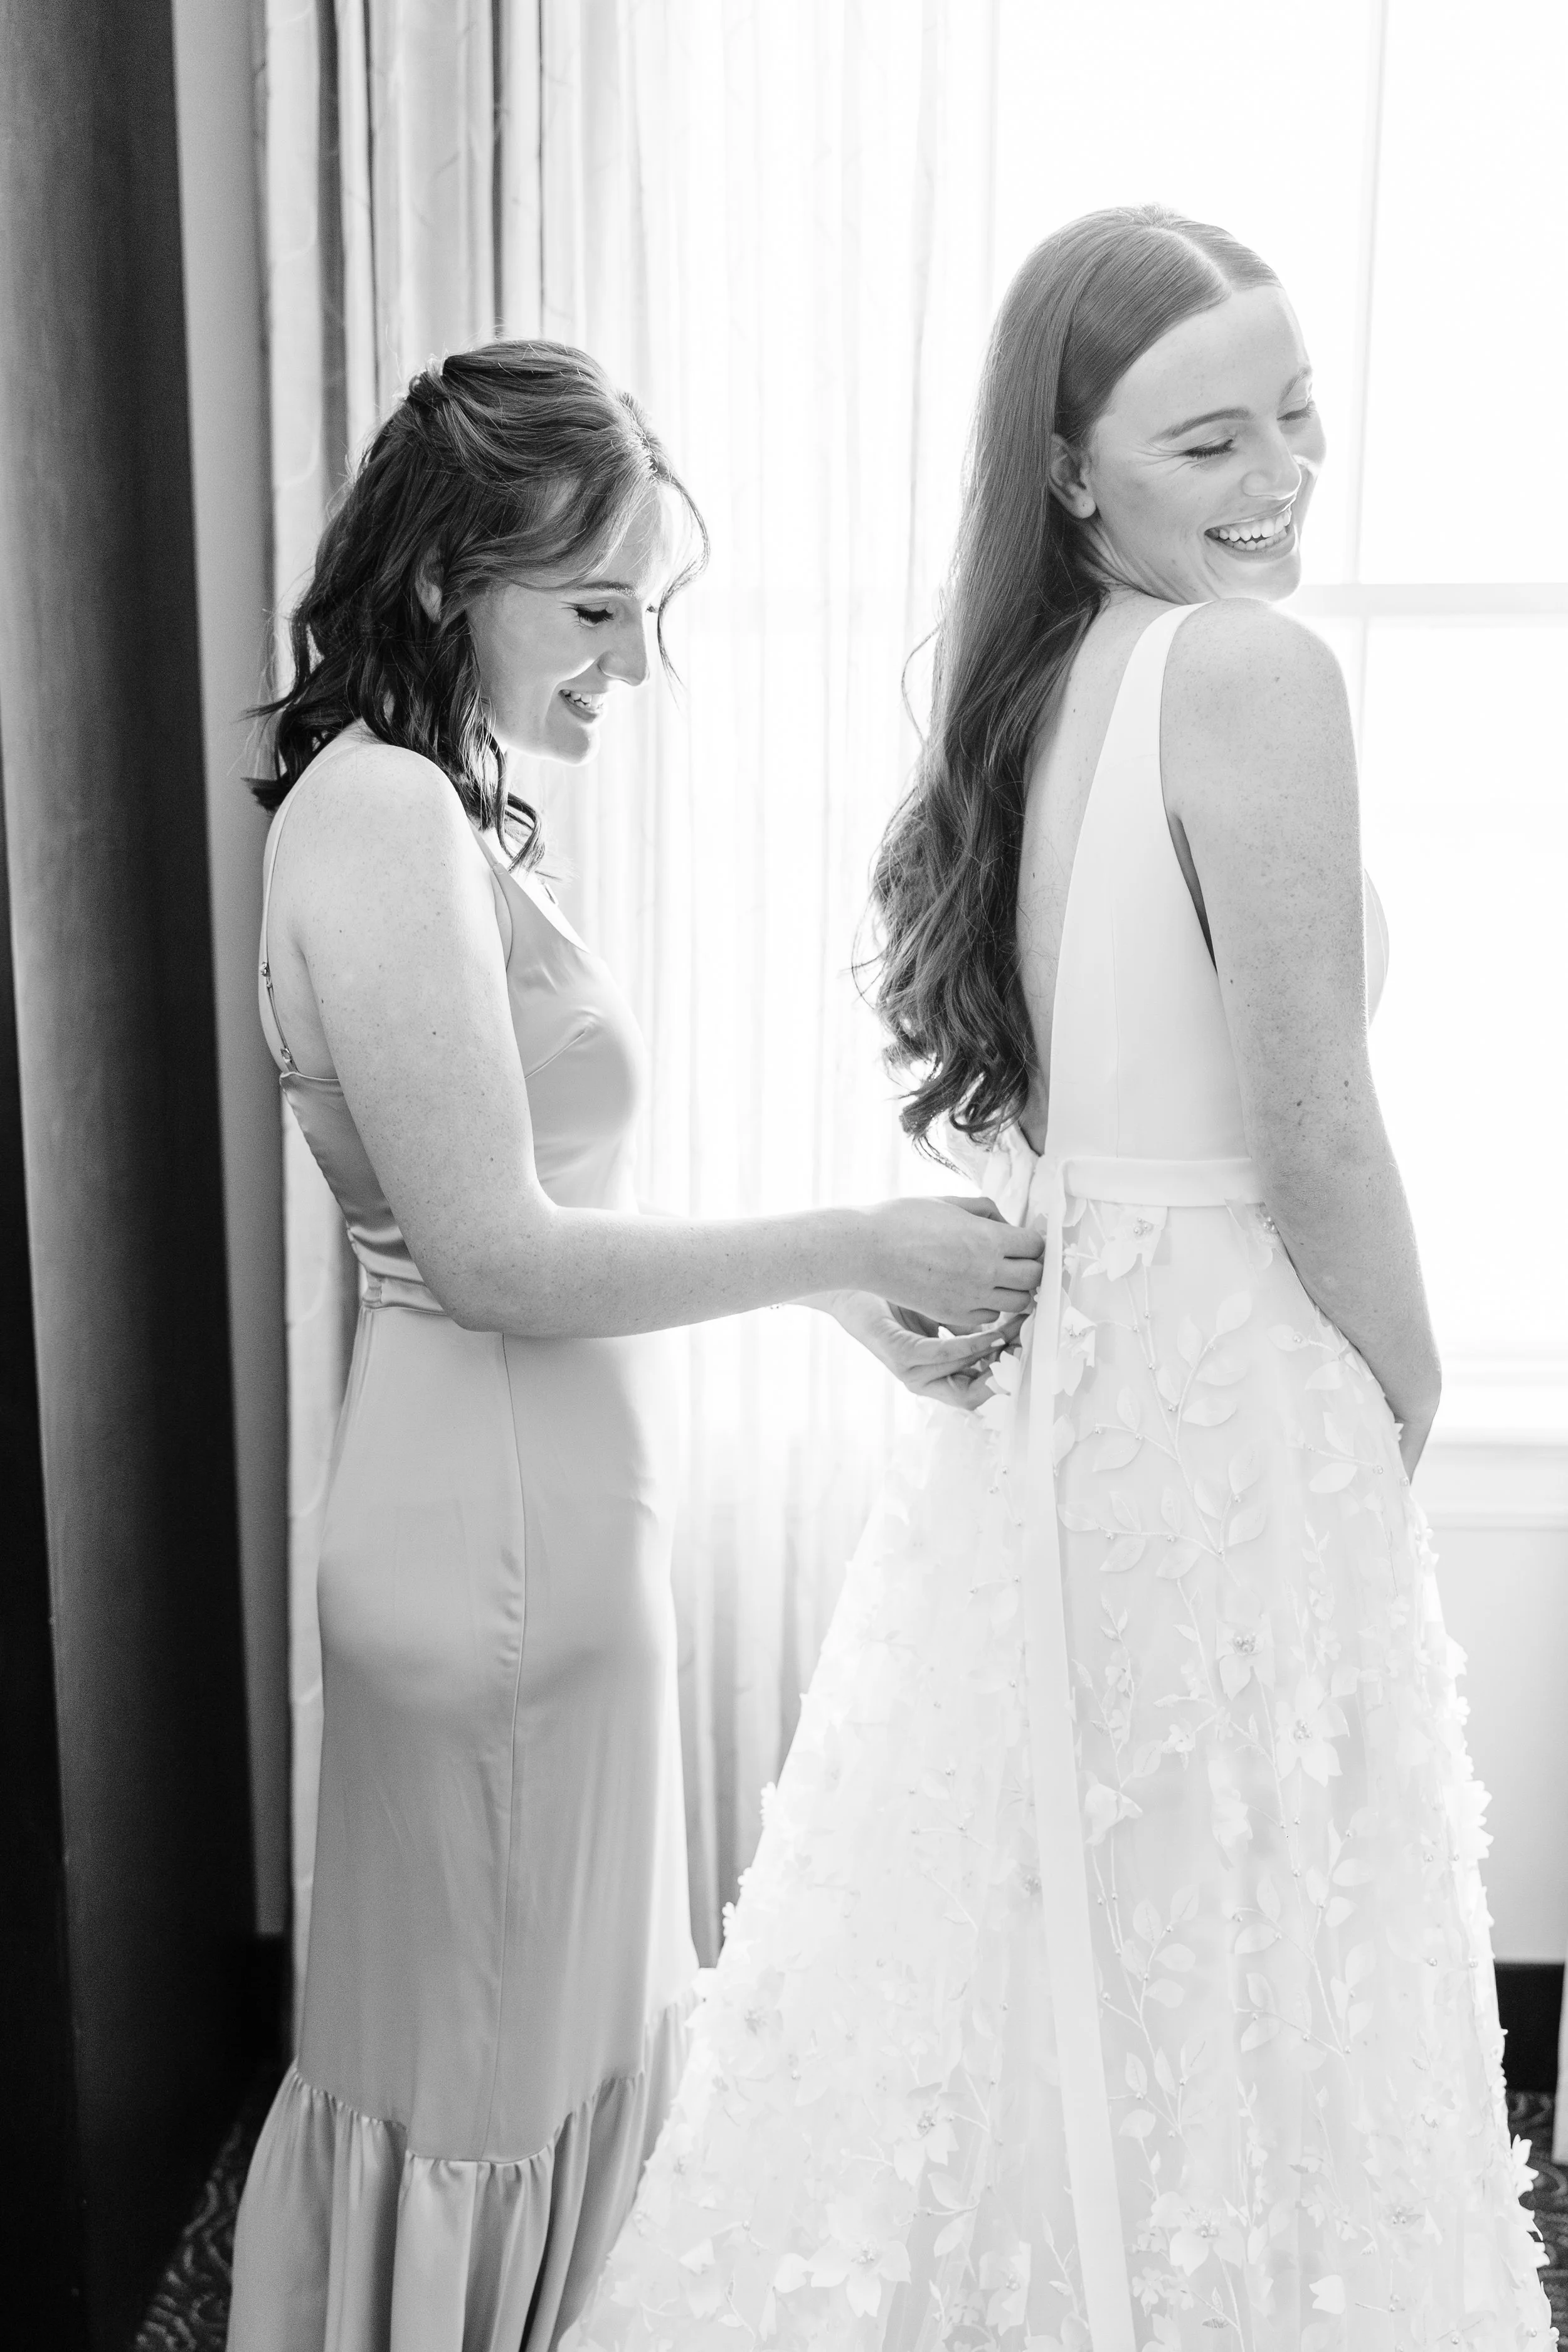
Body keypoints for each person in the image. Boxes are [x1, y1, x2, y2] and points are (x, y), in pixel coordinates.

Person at [564, 209, 1555, 2350]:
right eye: (1207, 441)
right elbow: (1313, 1127)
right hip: (1232, 1389)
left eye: (1297, 414)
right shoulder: (1245, 670)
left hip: (1070, 1391)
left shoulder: (1046, 684)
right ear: (1069, 464)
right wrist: (1402, 1391)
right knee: (1238, 1946)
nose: (1279, 478)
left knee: (1027, 1934)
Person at [225, 341, 1044, 2352]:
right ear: (442, 582)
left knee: (560, 2067)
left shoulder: (439, 808)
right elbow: (494, 1256)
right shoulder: (380, 813)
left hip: (540, 1519)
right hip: (485, 1550)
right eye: (592, 611)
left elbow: (526, 1215)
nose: (629, 664)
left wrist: (845, 1307)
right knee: (483, 2083)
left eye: (643, 614)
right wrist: (843, 1236)